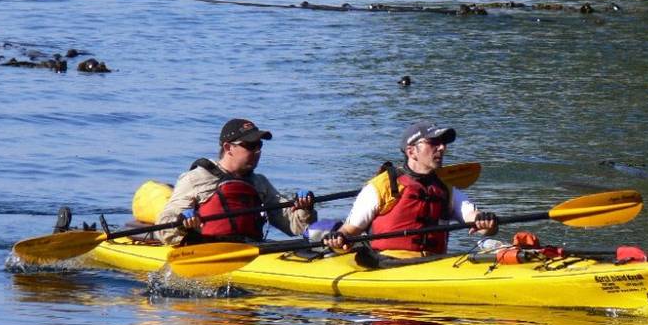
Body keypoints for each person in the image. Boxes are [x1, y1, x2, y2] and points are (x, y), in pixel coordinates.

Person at [324, 121, 498, 256]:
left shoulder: (445, 190)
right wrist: (337, 239)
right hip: (386, 264)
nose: (442, 148)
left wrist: (485, 222)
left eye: (443, 143)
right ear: (411, 151)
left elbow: (474, 219)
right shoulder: (381, 186)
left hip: (433, 263)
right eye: (434, 142)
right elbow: (349, 231)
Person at [156, 118, 316, 245]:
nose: (257, 151)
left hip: (249, 248)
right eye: (250, 145)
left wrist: (304, 208)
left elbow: (295, 227)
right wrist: (181, 222)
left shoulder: (260, 183)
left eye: (259, 145)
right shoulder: (195, 179)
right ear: (228, 148)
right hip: (204, 249)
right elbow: (163, 228)